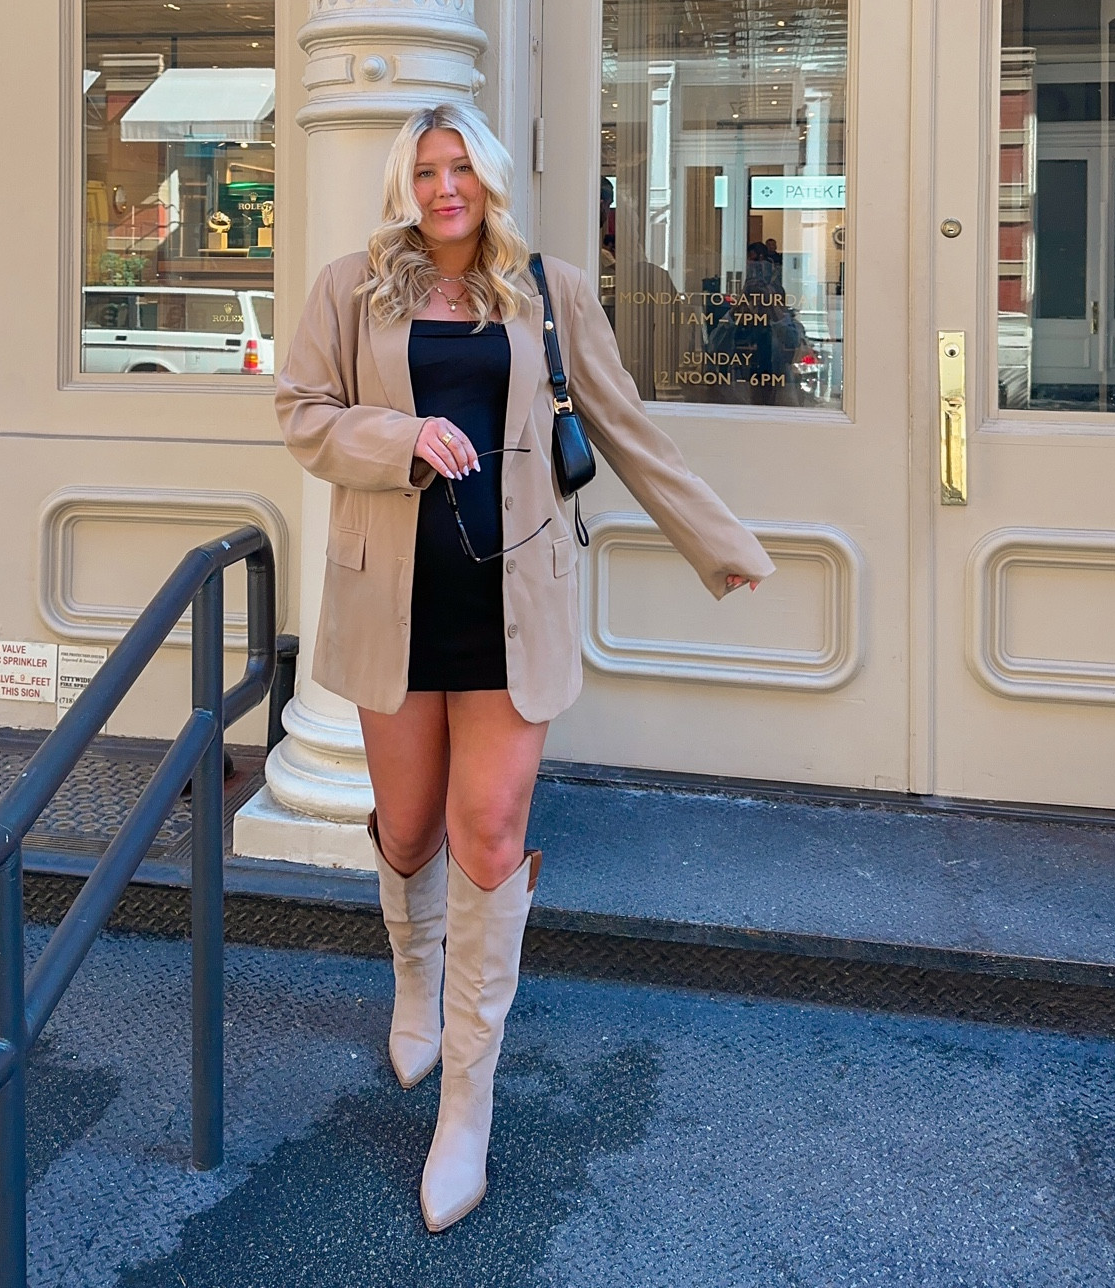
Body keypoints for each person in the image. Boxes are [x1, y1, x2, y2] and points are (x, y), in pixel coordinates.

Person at [274, 102, 775, 1233]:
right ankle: (414, 974)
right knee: (408, 831)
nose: (444, 187)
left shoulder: (547, 286)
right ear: (403, 184)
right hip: (392, 604)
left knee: (486, 833)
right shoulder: (351, 285)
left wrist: (719, 542)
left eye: (461, 167)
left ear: (488, 178)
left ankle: (466, 1101)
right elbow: (301, 414)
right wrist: (394, 439)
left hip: (513, 604)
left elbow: (624, 421)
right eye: (425, 169)